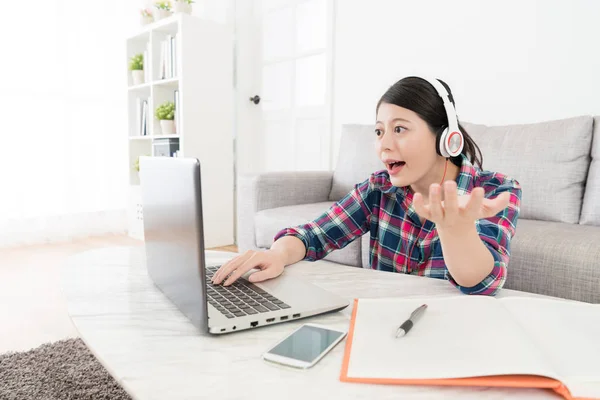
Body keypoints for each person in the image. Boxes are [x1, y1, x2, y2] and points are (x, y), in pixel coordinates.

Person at [212, 76, 522, 296]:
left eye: (399, 129)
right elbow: (314, 235)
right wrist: (278, 254)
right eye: (378, 131)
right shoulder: (378, 190)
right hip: (387, 324)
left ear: (445, 136)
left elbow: (482, 284)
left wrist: (456, 232)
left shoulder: (495, 191)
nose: (384, 145)